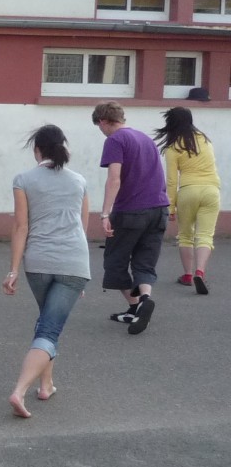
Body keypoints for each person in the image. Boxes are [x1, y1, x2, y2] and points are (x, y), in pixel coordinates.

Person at [3, 125, 90, 419]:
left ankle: (46, 385)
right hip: (73, 263)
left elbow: (21, 227)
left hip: (38, 262)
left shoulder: (23, 180)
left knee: (47, 323)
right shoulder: (79, 181)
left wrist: (13, 270)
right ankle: (20, 390)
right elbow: (82, 226)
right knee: (49, 328)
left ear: (36, 150)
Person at [93, 101, 169, 334]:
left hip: (131, 211)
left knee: (115, 261)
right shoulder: (145, 139)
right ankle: (143, 301)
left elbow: (114, 178)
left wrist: (105, 213)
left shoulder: (115, 140)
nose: (101, 130)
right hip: (158, 208)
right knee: (144, 262)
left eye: (99, 126)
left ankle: (135, 306)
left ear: (103, 121)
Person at [153, 106, 218, 295]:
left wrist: (171, 207)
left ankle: (188, 275)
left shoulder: (173, 147)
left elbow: (172, 181)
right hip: (211, 190)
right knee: (205, 235)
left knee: (185, 235)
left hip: (188, 191)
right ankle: (200, 272)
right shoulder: (205, 140)